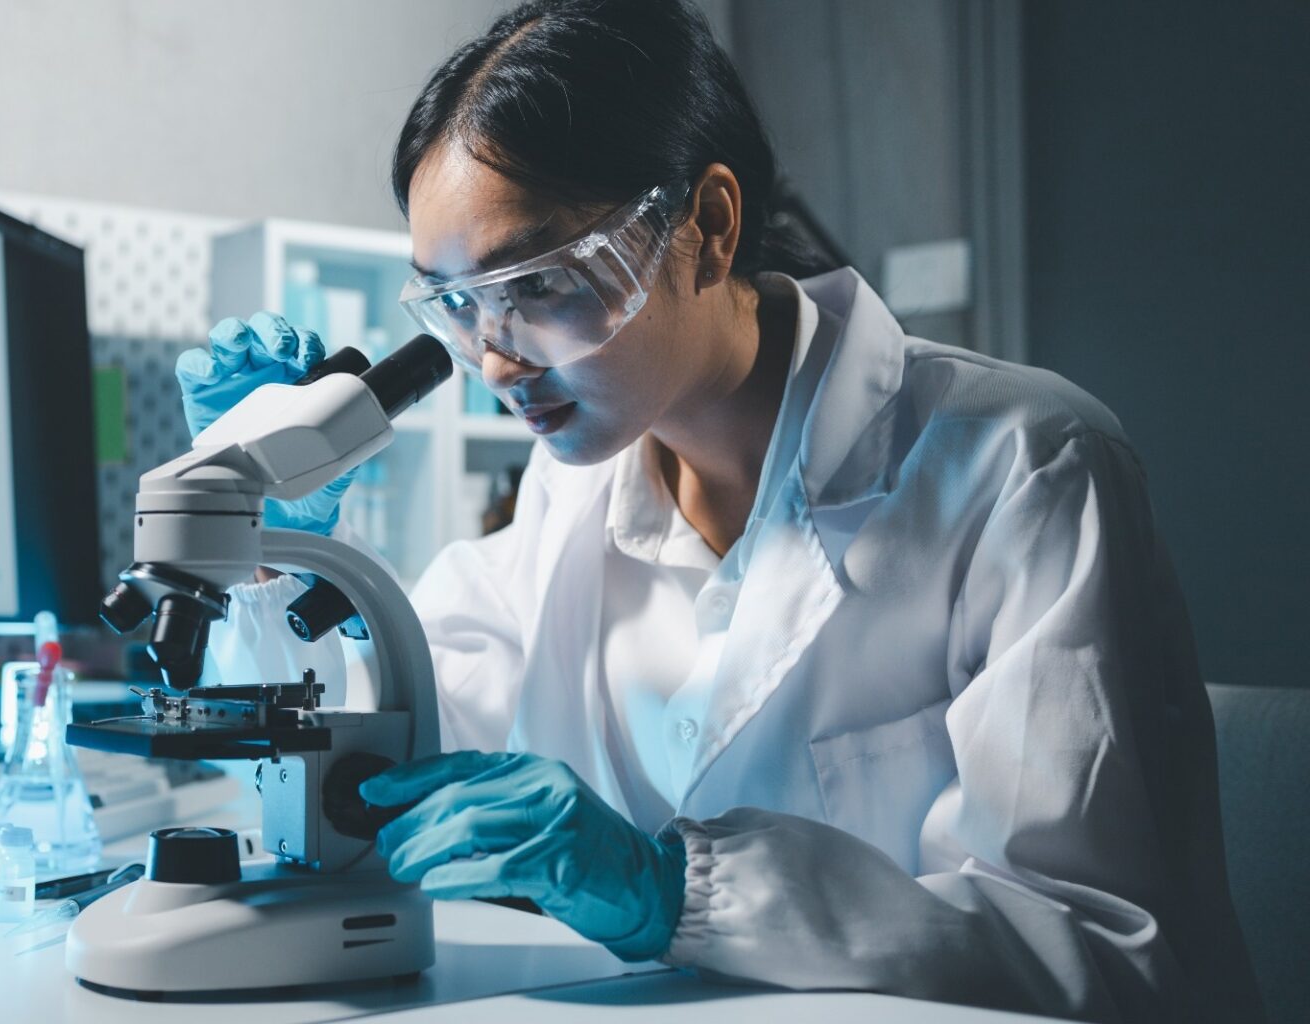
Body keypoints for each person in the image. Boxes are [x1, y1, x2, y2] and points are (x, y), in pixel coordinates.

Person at [175, 2, 1261, 1020]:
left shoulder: (1024, 467)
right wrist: (280, 539)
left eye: (540, 283)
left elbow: (1111, 958)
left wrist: (677, 890)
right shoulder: (571, 488)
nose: (496, 357)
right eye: (457, 306)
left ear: (707, 220)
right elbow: (377, 748)